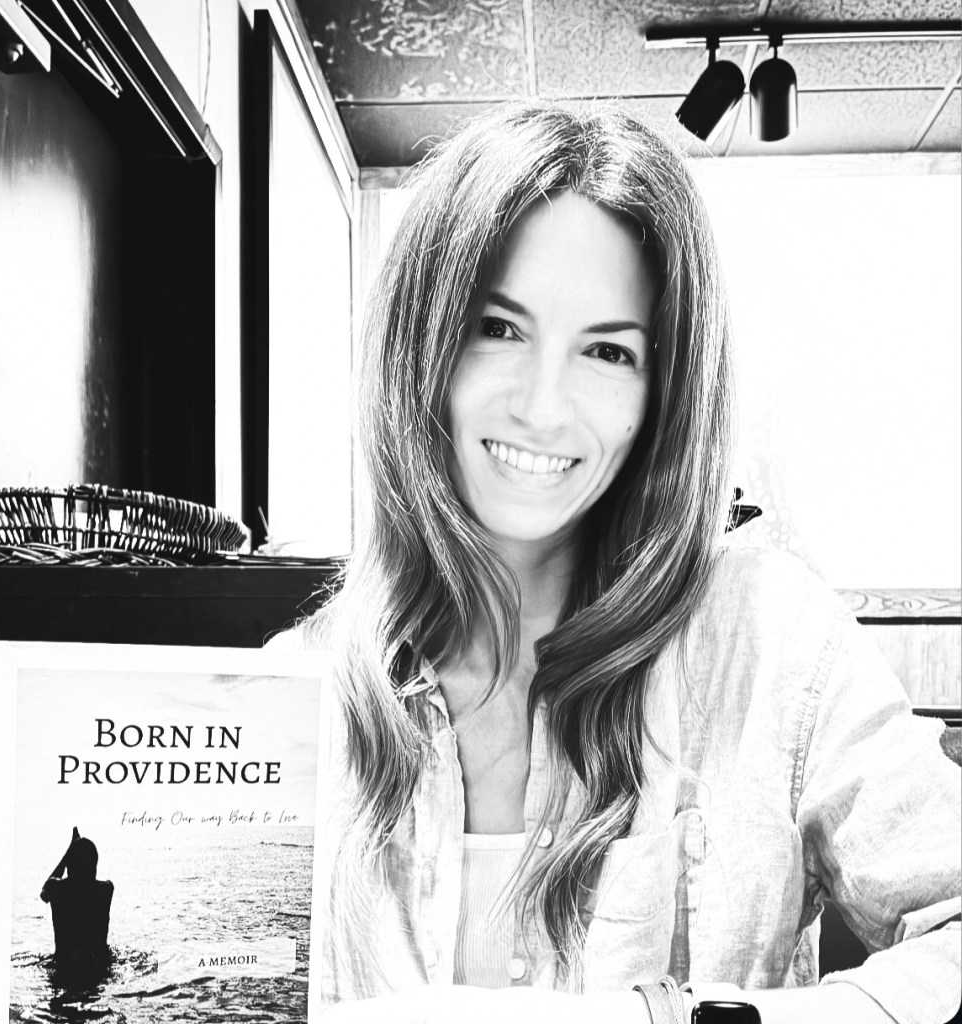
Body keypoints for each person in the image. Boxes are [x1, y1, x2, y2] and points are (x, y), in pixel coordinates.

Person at [275, 102, 961, 1024]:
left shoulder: (769, 641)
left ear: (660, 392)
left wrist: (668, 1019)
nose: (543, 407)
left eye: (606, 351)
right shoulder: (297, 687)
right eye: (498, 327)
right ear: (418, 345)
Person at [40, 827, 114, 981]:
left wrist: (69, 852)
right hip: (97, 968)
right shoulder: (105, 890)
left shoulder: (57, 891)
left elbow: (45, 893)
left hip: (63, 967)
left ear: (69, 866)